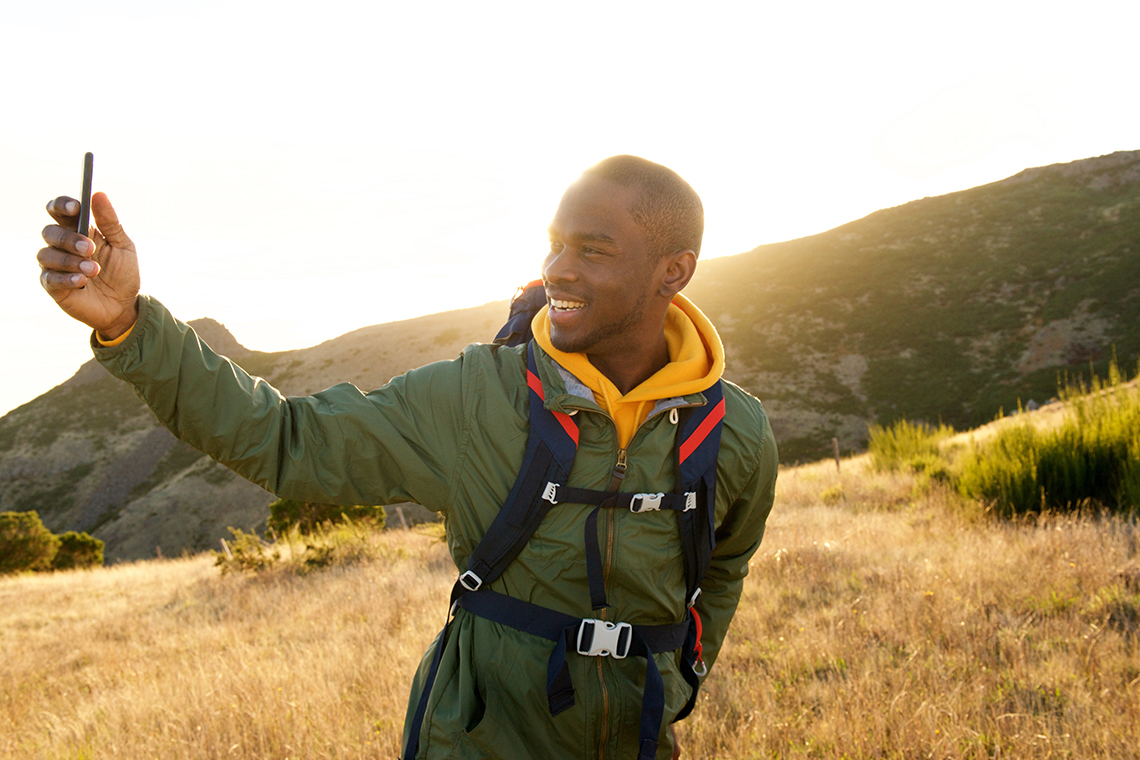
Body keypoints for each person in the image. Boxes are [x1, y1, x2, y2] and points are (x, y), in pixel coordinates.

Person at [37, 155, 778, 759]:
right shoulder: (475, 396)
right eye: (555, 243)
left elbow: (723, 568)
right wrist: (131, 325)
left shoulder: (734, 432)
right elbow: (289, 440)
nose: (559, 269)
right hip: (477, 742)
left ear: (672, 271)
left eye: (594, 250)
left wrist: (683, 678)